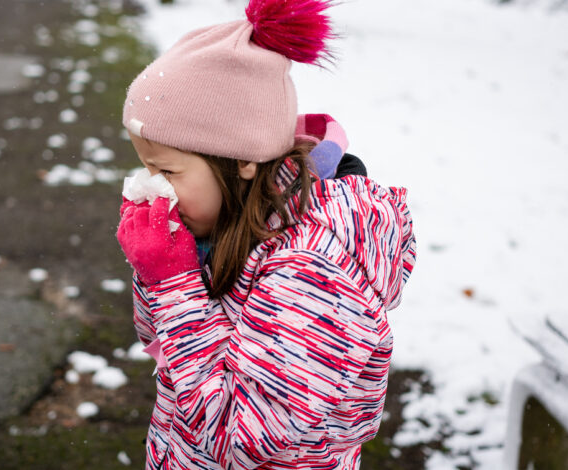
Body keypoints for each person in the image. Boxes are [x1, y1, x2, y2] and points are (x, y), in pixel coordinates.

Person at [116, 0, 417, 468]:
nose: (148, 185)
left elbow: (240, 436)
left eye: (166, 170)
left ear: (242, 160)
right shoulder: (222, 220)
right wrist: (158, 266)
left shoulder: (312, 269)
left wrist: (173, 284)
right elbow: (159, 342)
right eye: (145, 166)